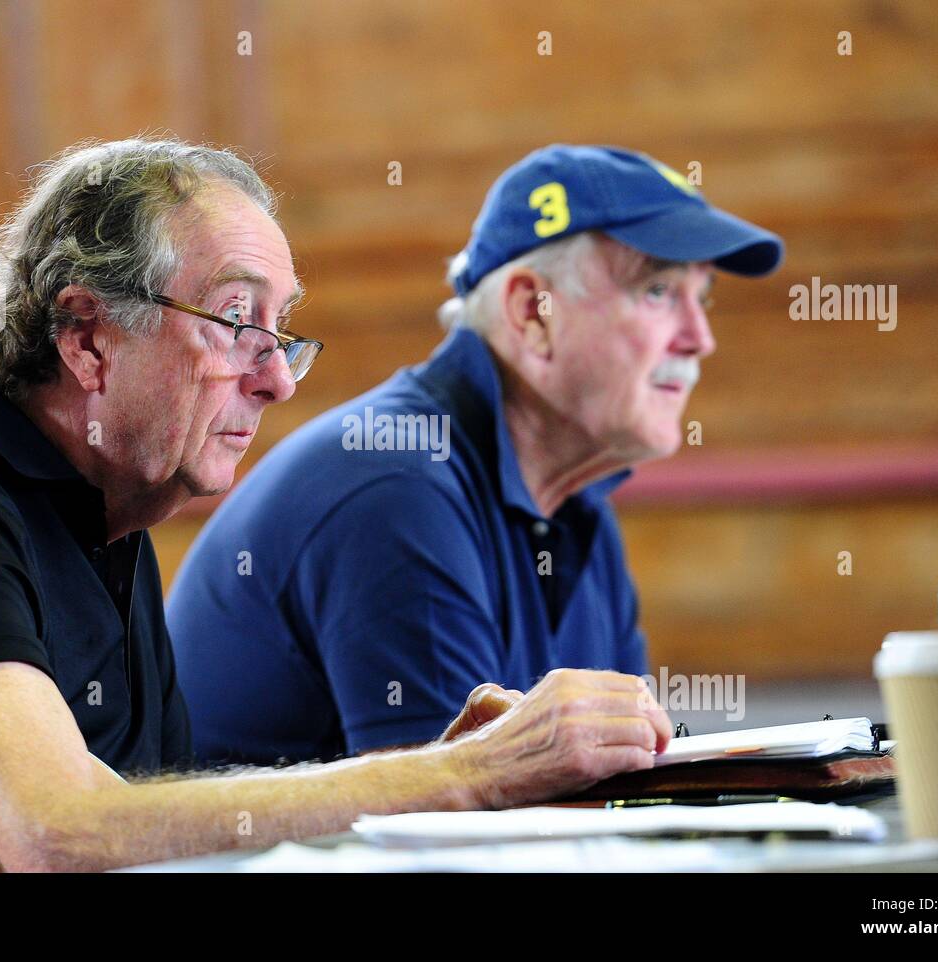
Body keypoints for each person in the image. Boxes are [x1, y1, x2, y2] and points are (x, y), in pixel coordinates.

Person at [0, 138, 671, 873]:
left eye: (282, 331)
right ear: (87, 339)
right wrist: (461, 778)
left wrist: (427, 767)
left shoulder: (109, 522)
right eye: (237, 322)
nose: (276, 380)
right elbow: (58, 834)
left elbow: (155, 837)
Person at [166, 144, 782, 764]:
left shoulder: (574, 499)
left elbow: (620, 779)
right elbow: (455, 828)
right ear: (530, 314)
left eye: (700, 298)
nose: (700, 339)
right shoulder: (397, 484)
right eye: (656, 290)